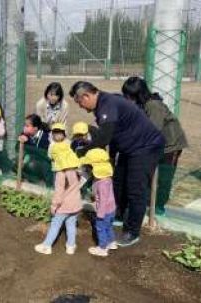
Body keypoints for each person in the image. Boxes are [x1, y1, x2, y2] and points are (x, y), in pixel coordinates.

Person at [69, 81, 165, 247]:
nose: (80, 107)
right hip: (129, 148)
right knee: (118, 183)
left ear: (86, 96)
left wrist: (82, 153)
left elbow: (104, 138)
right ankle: (116, 216)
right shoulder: (103, 105)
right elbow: (112, 135)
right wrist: (111, 158)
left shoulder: (107, 104)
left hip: (146, 147)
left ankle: (132, 232)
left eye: (80, 102)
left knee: (136, 189)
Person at [122, 76, 188, 215]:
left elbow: (152, 130)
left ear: (138, 95)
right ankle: (147, 202)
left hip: (170, 145)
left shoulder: (153, 105)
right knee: (148, 174)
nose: (127, 99)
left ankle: (159, 205)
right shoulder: (141, 105)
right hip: (155, 143)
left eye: (129, 96)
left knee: (164, 175)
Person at [35, 123, 82, 255]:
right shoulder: (74, 172)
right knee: (71, 224)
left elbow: (59, 193)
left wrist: (54, 206)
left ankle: (46, 245)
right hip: (75, 204)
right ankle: (71, 246)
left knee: (55, 224)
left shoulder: (61, 174)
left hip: (64, 206)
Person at [81, 148, 118, 257]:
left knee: (101, 227)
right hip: (112, 209)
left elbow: (103, 201)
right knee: (109, 227)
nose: (88, 169)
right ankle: (112, 242)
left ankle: (102, 248)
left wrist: (100, 214)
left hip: (104, 211)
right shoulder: (106, 179)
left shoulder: (101, 184)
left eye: (89, 167)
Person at [18, 114, 52, 184]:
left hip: (44, 162)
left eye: (27, 126)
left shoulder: (45, 137)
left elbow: (42, 153)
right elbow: (17, 147)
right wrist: (20, 140)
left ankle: (39, 181)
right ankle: (30, 179)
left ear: (35, 128)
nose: (24, 128)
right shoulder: (25, 134)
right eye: (24, 125)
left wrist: (26, 146)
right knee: (16, 163)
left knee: (31, 164)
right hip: (31, 159)